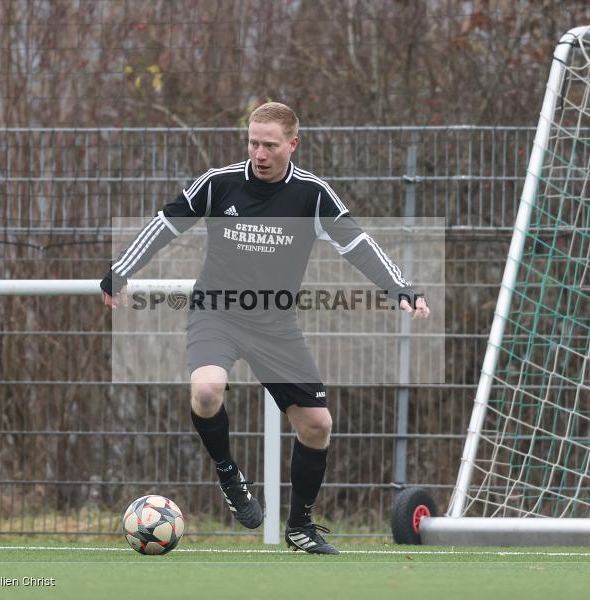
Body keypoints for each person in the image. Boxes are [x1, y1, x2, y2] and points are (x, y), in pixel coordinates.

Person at [101, 102, 429, 554]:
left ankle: (299, 527)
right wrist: (121, 271)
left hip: (275, 324)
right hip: (216, 312)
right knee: (206, 391)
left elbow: (358, 243)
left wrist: (400, 287)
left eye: (270, 145)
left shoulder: (312, 195)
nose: (259, 152)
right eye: (253, 142)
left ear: (293, 144)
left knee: (317, 425)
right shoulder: (219, 183)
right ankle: (230, 477)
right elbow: (165, 223)